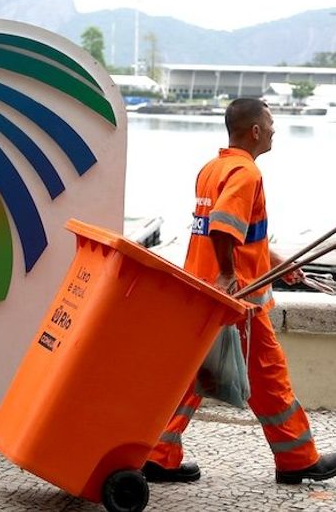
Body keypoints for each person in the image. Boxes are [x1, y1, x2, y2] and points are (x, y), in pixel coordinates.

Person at [142, 98, 336, 485]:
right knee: (269, 378)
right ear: (256, 131)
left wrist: (277, 262)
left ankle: (158, 455)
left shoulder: (212, 168)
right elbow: (221, 227)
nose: (276, 129)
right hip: (238, 302)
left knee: (189, 378)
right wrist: (230, 274)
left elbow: (239, 233)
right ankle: (298, 460)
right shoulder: (247, 174)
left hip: (202, 293)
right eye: (271, 122)